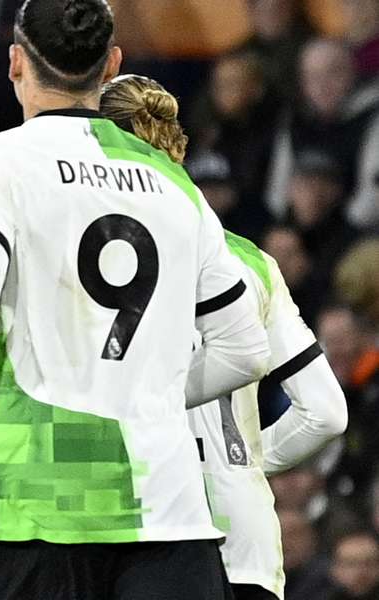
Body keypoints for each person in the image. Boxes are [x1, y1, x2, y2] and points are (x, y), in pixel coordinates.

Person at [0, 1, 271, 598]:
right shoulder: (175, 183)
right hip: (167, 510)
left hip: (38, 502)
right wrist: (150, 394)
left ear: (15, 62)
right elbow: (245, 349)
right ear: (111, 64)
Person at [99, 73, 349, 600]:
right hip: (245, 540)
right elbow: (326, 412)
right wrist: (245, 463)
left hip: (131, 529)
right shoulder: (250, 259)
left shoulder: (83, 249)